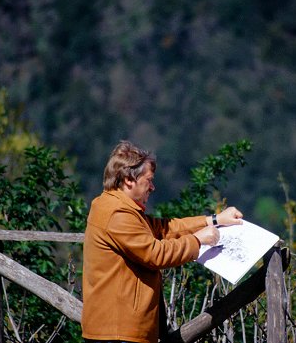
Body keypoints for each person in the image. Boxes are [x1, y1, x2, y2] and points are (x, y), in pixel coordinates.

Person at [82, 140, 243, 343]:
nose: (153, 187)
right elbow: (155, 254)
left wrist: (214, 220)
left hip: (118, 330)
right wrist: (197, 240)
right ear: (128, 180)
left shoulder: (119, 208)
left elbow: (164, 229)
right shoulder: (117, 214)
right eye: (148, 180)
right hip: (118, 333)